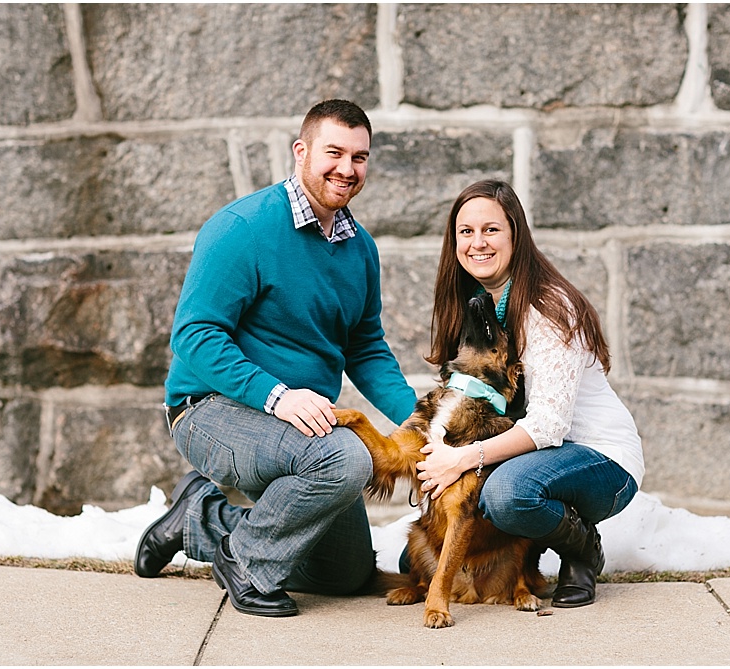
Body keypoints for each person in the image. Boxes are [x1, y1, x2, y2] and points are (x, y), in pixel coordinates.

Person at [134, 100, 417, 618]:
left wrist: (424, 423)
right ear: (301, 151)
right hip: (210, 409)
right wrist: (277, 395)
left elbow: (366, 348)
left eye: (360, 157)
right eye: (334, 152)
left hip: (297, 429)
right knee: (348, 458)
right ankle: (244, 562)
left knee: (345, 574)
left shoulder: (360, 249)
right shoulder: (243, 228)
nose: (346, 169)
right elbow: (194, 335)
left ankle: (198, 517)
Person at [414, 179, 645, 608]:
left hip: (601, 461)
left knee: (505, 493)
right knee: (495, 488)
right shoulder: (479, 303)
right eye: (466, 231)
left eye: (491, 230)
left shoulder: (548, 308)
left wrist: (464, 458)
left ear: (515, 235)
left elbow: (548, 426)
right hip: (537, 458)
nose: (477, 243)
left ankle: (581, 551)